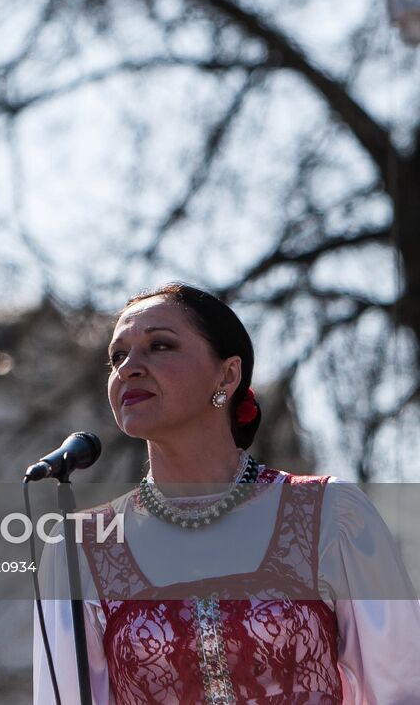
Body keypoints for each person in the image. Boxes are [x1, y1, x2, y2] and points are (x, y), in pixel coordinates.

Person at [32, 282, 420, 704]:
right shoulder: (80, 549)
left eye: (159, 345)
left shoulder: (331, 514)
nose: (128, 368)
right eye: (117, 356)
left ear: (227, 374)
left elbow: (401, 689)